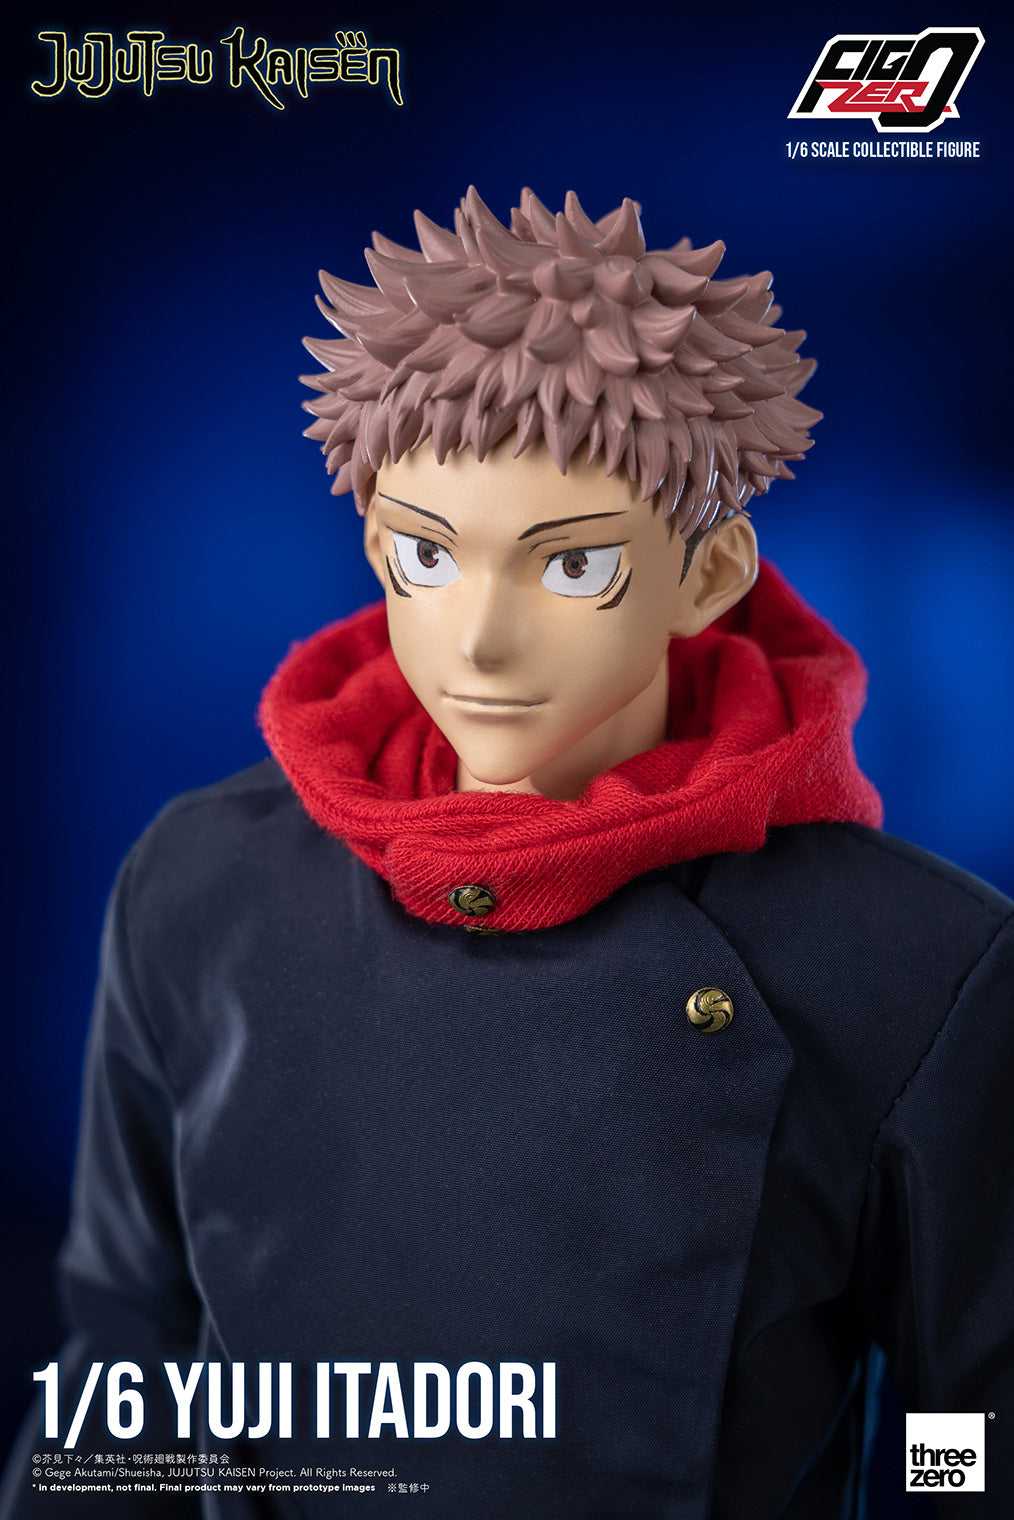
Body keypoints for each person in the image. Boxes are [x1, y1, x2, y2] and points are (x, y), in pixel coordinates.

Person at [2, 188, 1011, 1519]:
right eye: (427, 556)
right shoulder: (203, 886)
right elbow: (128, 1351)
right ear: (374, 544)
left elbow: (965, 1415)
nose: (478, 639)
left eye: (571, 568)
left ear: (708, 577)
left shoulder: (911, 963)